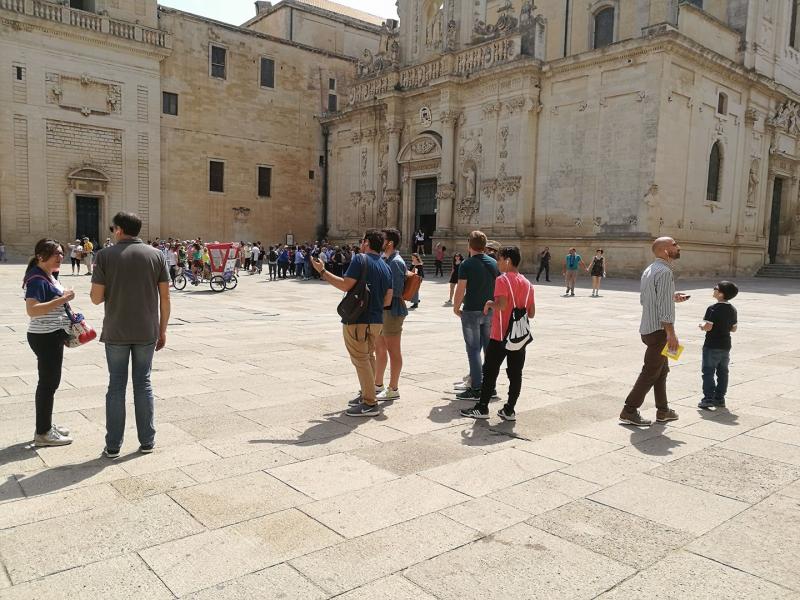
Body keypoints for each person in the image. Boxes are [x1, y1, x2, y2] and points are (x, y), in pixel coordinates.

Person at [91, 212, 171, 457]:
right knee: (143, 383)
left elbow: (96, 298)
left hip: (116, 330)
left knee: (116, 385)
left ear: (118, 230)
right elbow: (165, 297)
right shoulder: (157, 255)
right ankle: (147, 441)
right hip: (147, 330)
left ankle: (113, 445)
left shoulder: (104, 255)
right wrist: (162, 329)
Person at [311, 229, 392, 417]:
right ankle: (367, 394)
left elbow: (345, 285)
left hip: (358, 320)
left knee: (361, 359)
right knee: (368, 357)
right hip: (376, 320)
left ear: (367, 242)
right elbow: (388, 299)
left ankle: (370, 403)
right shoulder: (385, 266)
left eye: (362, 241)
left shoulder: (360, 260)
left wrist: (322, 271)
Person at [619, 237, 688, 427]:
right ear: (665, 251)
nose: (679, 247)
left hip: (648, 328)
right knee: (650, 372)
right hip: (659, 331)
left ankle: (663, 410)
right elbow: (664, 307)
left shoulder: (650, 269)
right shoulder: (665, 272)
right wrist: (671, 333)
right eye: (675, 244)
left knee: (662, 371)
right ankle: (629, 410)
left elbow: (647, 299)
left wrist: (672, 296)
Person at [461, 246, 534, 421]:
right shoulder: (528, 284)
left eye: (499, 259)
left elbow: (501, 305)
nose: (497, 263)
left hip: (501, 334)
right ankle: (509, 409)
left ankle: (482, 407)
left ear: (507, 261)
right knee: (515, 373)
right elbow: (531, 313)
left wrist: (489, 303)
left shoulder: (502, 280)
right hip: (518, 336)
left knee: (490, 371)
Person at [23, 239, 74, 447]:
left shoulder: (48, 275)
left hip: (51, 334)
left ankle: (45, 425)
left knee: (50, 383)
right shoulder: (37, 279)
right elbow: (32, 310)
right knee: (48, 384)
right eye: (55, 254)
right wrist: (64, 299)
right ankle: (43, 432)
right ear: (40, 256)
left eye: (61, 253)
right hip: (45, 336)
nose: (60, 257)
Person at [453, 231, 499, 400]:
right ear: (485, 246)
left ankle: (477, 388)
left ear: (469, 245)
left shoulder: (466, 264)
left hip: (471, 311)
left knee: (473, 350)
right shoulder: (494, 263)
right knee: (489, 350)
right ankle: (490, 387)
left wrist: (456, 307)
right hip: (490, 311)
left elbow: (460, 288)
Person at [372, 228, 408, 403]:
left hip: (392, 311)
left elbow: (396, 291)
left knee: (393, 350)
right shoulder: (386, 259)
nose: (380, 241)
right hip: (382, 310)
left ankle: (393, 388)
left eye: (383, 239)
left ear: (390, 243)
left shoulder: (396, 262)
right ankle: (377, 384)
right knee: (379, 349)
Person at [698, 281, 738, 409]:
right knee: (723, 372)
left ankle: (708, 398)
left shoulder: (713, 308)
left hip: (711, 345)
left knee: (708, 372)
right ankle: (720, 398)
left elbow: (708, 327)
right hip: (725, 345)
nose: (713, 289)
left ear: (721, 294)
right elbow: (734, 329)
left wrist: (701, 326)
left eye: (716, 288)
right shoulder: (732, 309)